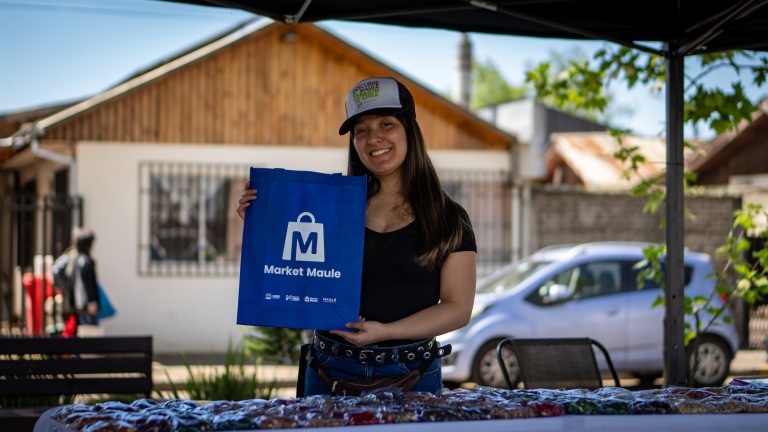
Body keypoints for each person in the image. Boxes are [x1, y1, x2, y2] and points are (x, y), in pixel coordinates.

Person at [237, 77, 477, 395]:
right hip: (329, 369)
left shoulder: (448, 217)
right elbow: (299, 275)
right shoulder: (329, 209)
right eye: (361, 130)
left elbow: (458, 308)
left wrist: (386, 331)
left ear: (410, 130)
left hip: (412, 374)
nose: (373, 138)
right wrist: (264, 225)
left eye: (386, 124)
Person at [57, 228, 100, 337]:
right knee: (89, 336)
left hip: (77, 305)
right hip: (86, 305)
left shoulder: (75, 260)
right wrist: (92, 302)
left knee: (79, 334)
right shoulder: (87, 261)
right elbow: (88, 284)